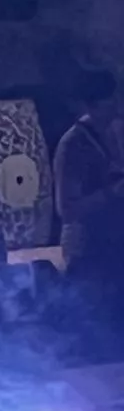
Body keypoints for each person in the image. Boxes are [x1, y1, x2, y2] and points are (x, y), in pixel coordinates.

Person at [54, 69, 124, 275]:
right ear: (88, 106)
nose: (114, 109)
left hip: (116, 245)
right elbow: (67, 210)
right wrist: (111, 192)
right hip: (86, 252)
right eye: (106, 106)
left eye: (115, 102)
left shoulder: (119, 128)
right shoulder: (72, 146)